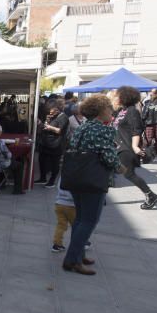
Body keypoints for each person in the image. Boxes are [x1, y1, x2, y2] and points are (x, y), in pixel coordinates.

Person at [62, 94, 124, 275]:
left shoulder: (83, 127)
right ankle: (72, 260)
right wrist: (120, 167)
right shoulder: (104, 129)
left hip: (76, 177)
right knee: (89, 220)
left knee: (80, 219)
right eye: (109, 108)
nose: (111, 111)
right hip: (93, 179)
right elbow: (108, 156)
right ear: (101, 110)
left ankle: (78, 255)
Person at [112, 85, 157, 209]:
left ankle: (151, 195)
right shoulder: (121, 111)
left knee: (129, 174)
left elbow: (136, 129)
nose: (115, 98)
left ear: (124, 97)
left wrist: (135, 146)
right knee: (116, 170)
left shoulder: (132, 111)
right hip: (119, 146)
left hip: (127, 148)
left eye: (117, 96)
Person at [36, 99, 69, 188]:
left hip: (56, 144)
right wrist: (45, 122)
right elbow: (44, 126)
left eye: (51, 110)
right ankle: (42, 178)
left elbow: (59, 130)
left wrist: (49, 127)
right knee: (41, 160)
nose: (50, 112)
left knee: (54, 163)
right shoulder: (52, 116)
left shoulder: (64, 117)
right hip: (45, 142)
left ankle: (52, 181)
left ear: (57, 108)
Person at [51, 182, 75, 253]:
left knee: (61, 225)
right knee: (77, 226)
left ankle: (57, 244)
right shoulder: (77, 173)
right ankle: (80, 243)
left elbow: (58, 186)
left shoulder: (64, 173)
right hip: (72, 205)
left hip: (59, 203)